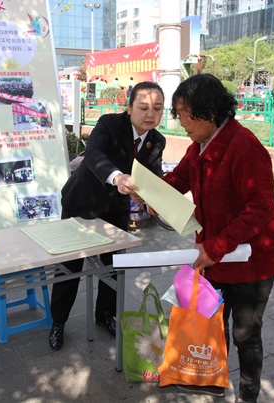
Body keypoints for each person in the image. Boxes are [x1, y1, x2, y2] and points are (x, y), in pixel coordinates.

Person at [149, 74, 274, 400]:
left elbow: (260, 208)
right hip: (215, 254)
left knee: (245, 335)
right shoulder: (201, 144)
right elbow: (180, 177)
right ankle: (212, 379)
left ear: (210, 111)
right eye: (179, 114)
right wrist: (152, 193)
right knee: (212, 321)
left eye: (187, 114)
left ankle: (248, 395)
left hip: (250, 259)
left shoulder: (244, 147)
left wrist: (216, 247)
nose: (182, 122)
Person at [48, 81, 167, 350]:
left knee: (113, 267)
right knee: (69, 267)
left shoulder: (157, 140)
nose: (151, 114)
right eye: (144, 107)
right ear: (129, 107)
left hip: (116, 210)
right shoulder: (109, 123)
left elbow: (154, 175)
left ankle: (105, 315)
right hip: (82, 203)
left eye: (158, 108)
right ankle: (58, 322)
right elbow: (93, 154)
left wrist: (152, 197)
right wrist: (117, 177)